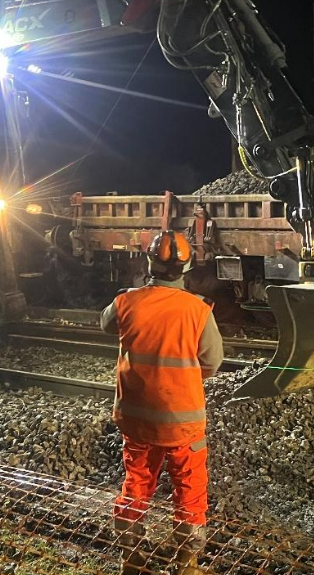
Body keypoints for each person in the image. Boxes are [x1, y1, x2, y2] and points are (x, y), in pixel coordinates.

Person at [100, 230, 223, 575]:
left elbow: (106, 324)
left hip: (136, 418)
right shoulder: (198, 310)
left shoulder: (126, 302)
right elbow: (212, 363)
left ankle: (132, 559)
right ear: (187, 267)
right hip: (183, 421)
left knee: (136, 484)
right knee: (190, 490)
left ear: (149, 262)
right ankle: (187, 563)